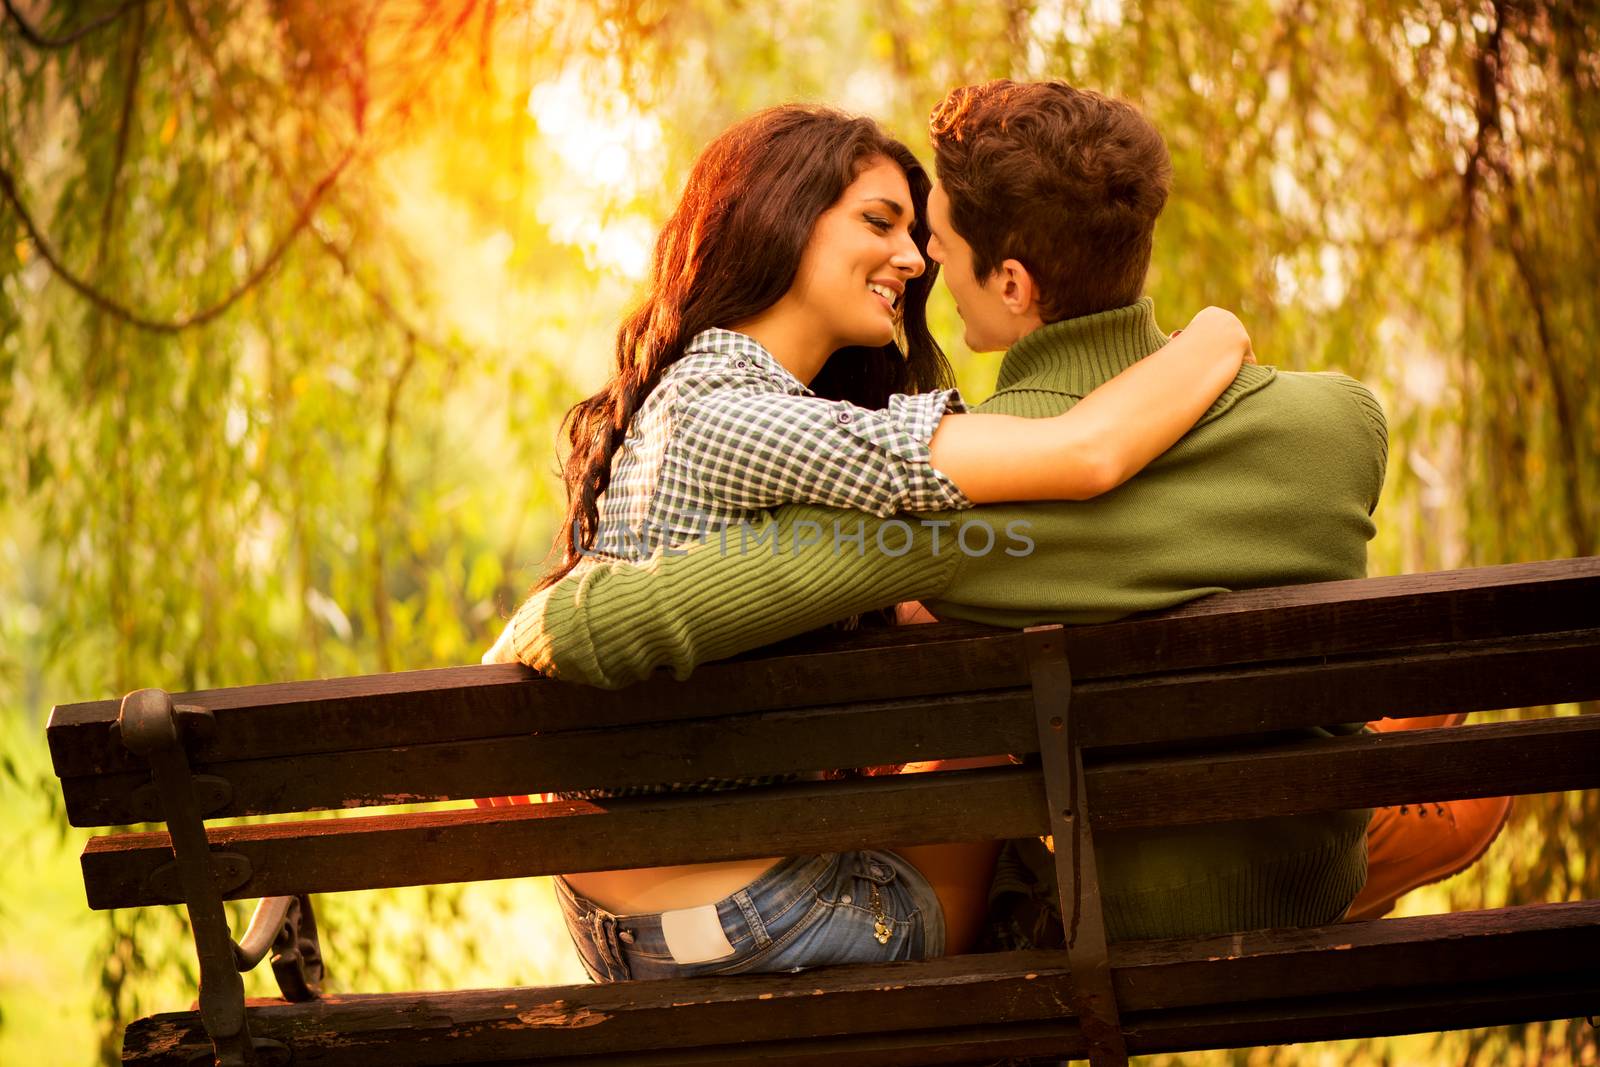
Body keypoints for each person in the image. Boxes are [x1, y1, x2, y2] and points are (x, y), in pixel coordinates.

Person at [490, 81, 1509, 961]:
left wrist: (534, 625)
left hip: (1119, 916)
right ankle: (1380, 803)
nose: (922, 266)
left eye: (932, 241)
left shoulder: (941, 522)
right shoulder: (1343, 423)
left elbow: (606, 623)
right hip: (1302, 866)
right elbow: (1117, 489)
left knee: (1005, 712)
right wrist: (1215, 331)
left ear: (1012, 283)